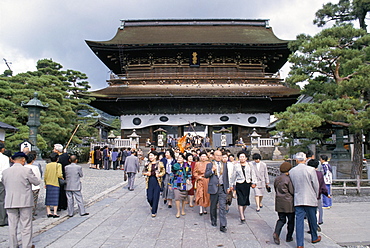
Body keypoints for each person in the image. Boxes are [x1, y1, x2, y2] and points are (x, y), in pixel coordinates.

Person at [2, 152, 40, 248]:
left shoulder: (5, 172)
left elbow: (4, 182)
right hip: (24, 200)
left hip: (10, 200)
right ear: (23, 160)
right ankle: (26, 245)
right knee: (26, 224)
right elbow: (36, 182)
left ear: (13, 160)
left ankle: (13, 245)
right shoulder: (26, 171)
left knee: (12, 225)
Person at [289, 152, 321, 247]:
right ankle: (314, 237)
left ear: (296, 160)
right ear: (305, 159)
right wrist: (316, 194)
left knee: (299, 222)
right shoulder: (310, 170)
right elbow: (316, 184)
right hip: (310, 197)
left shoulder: (292, 171)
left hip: (298, 197)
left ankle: (300, 244)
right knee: (312, 219)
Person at [205, 150, 232, 233]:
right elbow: (206, 175)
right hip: (213, 188)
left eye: (220, 155)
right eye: (217, 155)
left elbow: (226, 177)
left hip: (222, 188)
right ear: (213, 156)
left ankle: (223, 224)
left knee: (222, 206)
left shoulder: (224, 165)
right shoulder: (210, 165)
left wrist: (227, 187)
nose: (219, 157)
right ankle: (213, 219)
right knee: (213, 206)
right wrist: (212, 170)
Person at [231, 151, 257, 224]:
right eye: (240, 157)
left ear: (246, 158)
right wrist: (232, 185)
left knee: (246, 200)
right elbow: (233, 175)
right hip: (239, 183)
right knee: (240, 199)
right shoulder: (236, 166)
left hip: (247, 183)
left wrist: (254, 182)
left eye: (243, 157)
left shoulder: (250, 165)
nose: (242, 158)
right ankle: (242, 216)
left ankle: (242, 211)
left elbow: (253, 174)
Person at [273, 162, 295, 245]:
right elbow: (292, 191)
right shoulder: (288, 179)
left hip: (279, 201)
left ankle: (276, 233)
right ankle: (289, 237)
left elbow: (275, 188)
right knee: (291, 220)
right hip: (288, 202)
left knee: (281, 219)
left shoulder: (277, 178)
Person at [307, 159, 330, 233]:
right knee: (317, 210)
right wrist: (326, 193)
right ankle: (317, 223)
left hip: (308, 195)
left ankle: (312, 226)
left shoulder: (306, 173)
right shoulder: (319, 174)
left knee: (309, 212)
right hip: (317, 194)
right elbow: (322, 185)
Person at [142, 151, 165, 217]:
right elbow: (143, 171)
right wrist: (146, 173)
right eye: (149, 156)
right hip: (149, 181)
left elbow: (163, 171)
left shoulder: (160, 164)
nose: (150, 157)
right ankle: (152, 205)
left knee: (156, 196)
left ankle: (154, 211)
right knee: (149, 197)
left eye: (152, 155)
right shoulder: (148, 164)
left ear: (155, 156)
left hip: (157, 181)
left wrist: (159, 175)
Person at [169, 153, 192, 218]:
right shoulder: (174, 165)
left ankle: (183, 209)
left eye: (180, 158)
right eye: (178, 158)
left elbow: (189, 173)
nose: (179, 159)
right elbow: (172, 175)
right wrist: (170, 184)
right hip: (176, 182)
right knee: (177, 198)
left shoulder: (187, 165)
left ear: (183, 159)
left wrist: (188, 179)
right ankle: (178, 211)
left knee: (184, 197)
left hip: (184, 182)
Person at [44, 152, 63, 218]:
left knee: (48, 197)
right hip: (55, 183)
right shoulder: (58, 165)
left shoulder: (47, 165)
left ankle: (48, 212)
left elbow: (45, 175)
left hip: (48, 182)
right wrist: (62, 177)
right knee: (55, 198)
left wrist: (45, 183)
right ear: (57, 159)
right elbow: (59, 174)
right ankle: (55, 212)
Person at [24, 154, 42, 218]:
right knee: (33, 202)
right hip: (35, 187)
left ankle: (25, 214)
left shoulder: (23, 167)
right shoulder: (35, 168)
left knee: (25, 201)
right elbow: (38, 178)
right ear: (33, 160)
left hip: (25, 187)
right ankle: (31, 214)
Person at [193, 151, 211, 215]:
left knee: (206, 194)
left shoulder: (209, 163)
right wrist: (198, 177)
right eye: (202, 156)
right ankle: (201, 208)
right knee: (200, 194)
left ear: (206, 157)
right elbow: (194, 172)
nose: (203, 158)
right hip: (200, 180)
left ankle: (205, 207)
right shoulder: (197, 163)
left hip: (207, 180)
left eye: (204, 156)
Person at [54, 144, 69, 211]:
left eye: (54, 149)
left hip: (60, 174)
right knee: (64, 190)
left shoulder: (58, 159)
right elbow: (66, 155)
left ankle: (59, 205)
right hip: (65, 174)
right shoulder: (65, 156)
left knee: (59, 191)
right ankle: (64, 205)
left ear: (57, 150)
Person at [0, 143, 9, 226]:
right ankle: (2, 220)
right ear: (2, 149)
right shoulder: (5, 158)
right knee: (2, 200)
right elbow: (6, 171)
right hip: (1, 180)